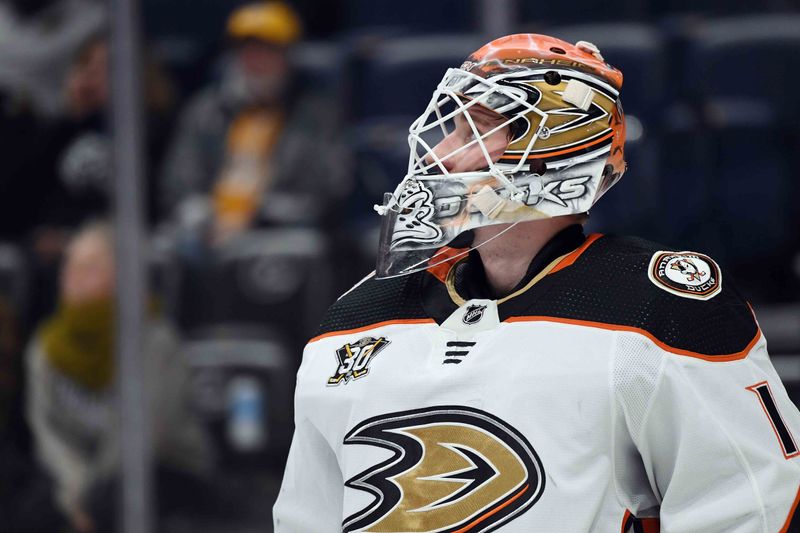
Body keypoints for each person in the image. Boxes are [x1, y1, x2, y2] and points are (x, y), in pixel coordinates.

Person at [273, 34, 800, 532]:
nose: (442, 153)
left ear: (553, 147)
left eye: (472, 129)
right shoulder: (356, 315)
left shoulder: (662, 309)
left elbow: (750, 505)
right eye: (448, 128)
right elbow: (307, 516)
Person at [25, 222, 213, 532]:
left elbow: (145, 436)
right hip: (81, 482)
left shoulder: (154, 340)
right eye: (69, 266)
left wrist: (88, 500)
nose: (74, 277)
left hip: (165, 471)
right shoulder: (45, 347)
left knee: (111, 502)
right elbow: (49, 435)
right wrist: (76, 494)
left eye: (90, 268)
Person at [159, 0, 348, 239]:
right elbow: (178, 182)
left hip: (281, 231)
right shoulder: (204, 110)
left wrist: (261, 213)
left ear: (287, 55)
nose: (256, 60)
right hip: (209, 231)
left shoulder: (317, 115)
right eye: (247, 49)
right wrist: (204, 216)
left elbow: (330, 188)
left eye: (268, 50)